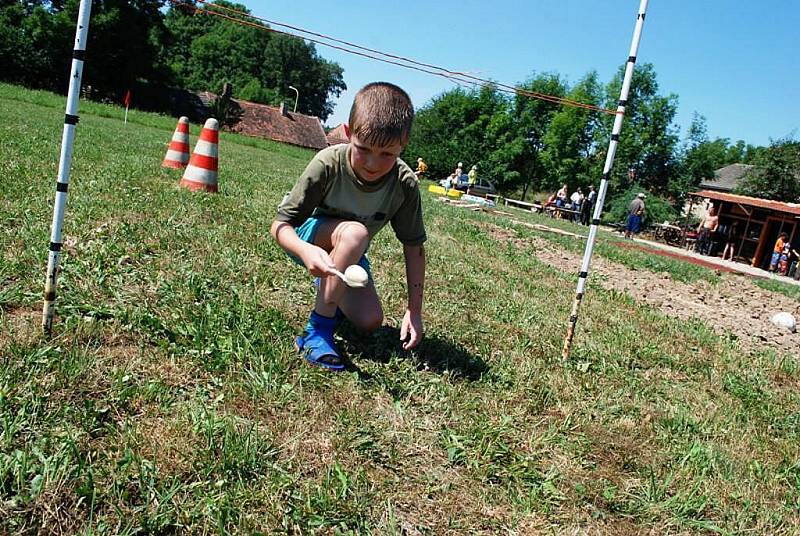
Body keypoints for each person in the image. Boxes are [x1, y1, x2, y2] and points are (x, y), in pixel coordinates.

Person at [271, 82, 426, 371]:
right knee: (356, 234)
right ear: (347, 131)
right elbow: (280, 226)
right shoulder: (327, 163)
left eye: (387, 154)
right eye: (363, 149)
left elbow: (414, 248)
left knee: (369, 321)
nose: (372, 163)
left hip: (349, 249)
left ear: (404, 145)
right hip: (308, 237)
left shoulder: (403, 184)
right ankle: (316, 331)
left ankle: (330, 291)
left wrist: (413, 312)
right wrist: (305, 251)